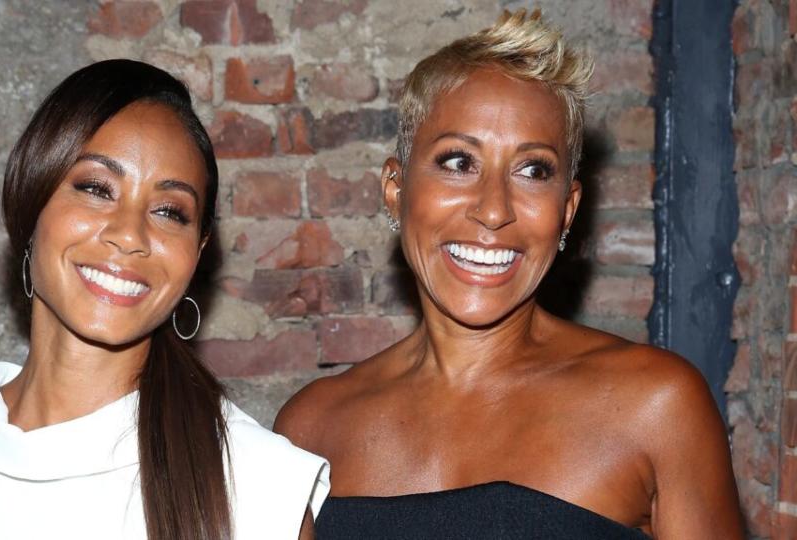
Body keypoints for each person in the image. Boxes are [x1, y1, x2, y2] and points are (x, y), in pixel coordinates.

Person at [275, 10, 743, 540]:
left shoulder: (659, 405)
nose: (494, 210)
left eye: (533, 170)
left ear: (566, 211)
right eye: (458, 162)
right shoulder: (311, 429)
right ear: (395, 190)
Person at [0, 59, 328, 540]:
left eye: (169, 211)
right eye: (96, 188)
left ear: (198, 251)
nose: (129, 234)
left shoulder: (262, 488)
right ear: (29, 202)